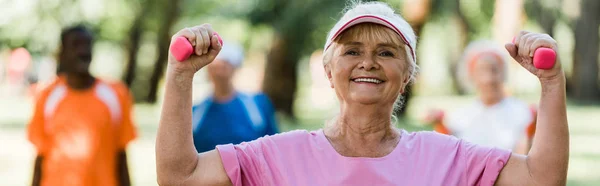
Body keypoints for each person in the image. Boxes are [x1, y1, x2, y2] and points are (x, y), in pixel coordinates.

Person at [156, 2, 569, 185]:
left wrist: (551, 84)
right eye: (352, 51)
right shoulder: (278, 155)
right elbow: (179, 176)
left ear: (407, 74)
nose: (368, 62)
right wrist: (179, 77)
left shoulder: (447, 157)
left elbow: (542, 177)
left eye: (386, 52)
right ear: (328, 70)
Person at [27, 25, 136, 186]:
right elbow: (40, 156)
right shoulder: (47, 95)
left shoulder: (116, 94)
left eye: (87, 45)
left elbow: (121, 155)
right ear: (61, 54)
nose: (83, 52)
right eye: (76, 45)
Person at [424, 41, 537, 154]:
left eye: (494, 70)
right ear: (471, 75)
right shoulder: (461, 116)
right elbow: (451, 153)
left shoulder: (523, 112)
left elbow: (527, 154)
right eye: (481, 71)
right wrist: (439, 124)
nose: (489, 79)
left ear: (503, 73)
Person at [191, 41, 278, 153]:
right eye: (214, 67)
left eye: (225, 66)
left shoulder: (258, 105)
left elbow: (273, 147)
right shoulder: (196, 113)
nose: (219, 72)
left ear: (235, 68)